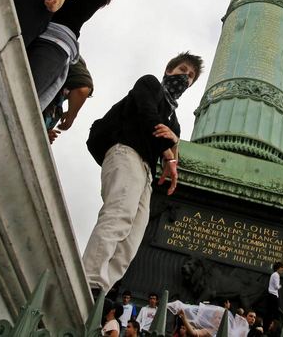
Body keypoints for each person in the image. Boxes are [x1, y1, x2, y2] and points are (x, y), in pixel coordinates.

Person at [83, 52, 204, 294]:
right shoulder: (149, 84)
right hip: (126, 151)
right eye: (182, 70)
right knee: (118, 215)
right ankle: (89, 279)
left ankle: (101, 291)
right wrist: (169, 149)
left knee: (133, 237)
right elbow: (148, 115)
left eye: (190, 76)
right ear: (169, 70)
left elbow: (172, 146)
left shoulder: (174, 119)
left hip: (146, 172)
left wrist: (173, 149)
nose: (185, 77)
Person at [43, 56, 94, 143]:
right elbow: (82, 90)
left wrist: (45, 134)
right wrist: (71, 117)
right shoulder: (72, 59)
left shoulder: (56, 109)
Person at [264, 262, 283, 331]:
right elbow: (276, 287)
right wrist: (280, 286)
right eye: (282, 268)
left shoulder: (274, 274)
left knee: (271, 313)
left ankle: (269, 327)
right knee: (273, 314)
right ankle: (270, 328)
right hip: (273, 296)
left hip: (272, 296)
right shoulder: (276, 275)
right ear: (279, 268)